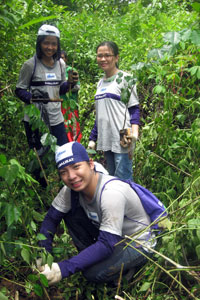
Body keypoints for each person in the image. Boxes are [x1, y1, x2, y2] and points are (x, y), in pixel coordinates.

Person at [37, 141, 157, 285]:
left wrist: (62, 269)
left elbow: (107, 243)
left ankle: (129, 272)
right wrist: (43, 256)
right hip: (113, 237)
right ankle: (92, 256)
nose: (71, 176)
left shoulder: (111, 193)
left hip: (136, 242)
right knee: (69, 213)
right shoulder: (70, 191)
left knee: (91, 273)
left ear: (91, 164)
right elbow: (51, 219)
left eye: (76, 167)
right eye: (64, 172)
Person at [15, 24, 79, 150]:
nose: (50, 47)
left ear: (58, 45)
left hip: (56, 117)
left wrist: (71, 84)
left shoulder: (60, 64)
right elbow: (19, 89)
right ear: (39, 43)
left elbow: (60, 89)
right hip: (35, 119)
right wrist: (33, 98)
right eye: (46, 43)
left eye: (54, 44)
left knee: (63, 152)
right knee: (39, 155)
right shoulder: (30, 65)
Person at [88, 41, 140, 180]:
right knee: (112, 179)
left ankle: (132, 202)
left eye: (107, 55)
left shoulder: (126, 79)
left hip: (123, 137)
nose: (103, 59)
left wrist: (134, 133)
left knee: (124, 180)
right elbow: (100, 114)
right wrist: (93, 138)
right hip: (106, 137)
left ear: (116, 57)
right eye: (99, 56)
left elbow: (134, 108)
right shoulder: (100, 82)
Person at [60, 50, 82, 142]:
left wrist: (66, 87)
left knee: (73, 127)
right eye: (58, 58)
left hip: (71, 105)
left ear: (66, 59)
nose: (60, 60)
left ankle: (75, 145)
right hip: (60, 105)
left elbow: (77, 86)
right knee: (64, 128)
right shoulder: (56, 71)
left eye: (62, 57)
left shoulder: (70, 70)